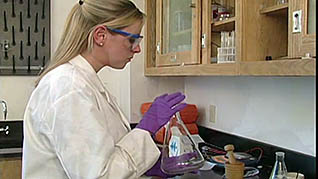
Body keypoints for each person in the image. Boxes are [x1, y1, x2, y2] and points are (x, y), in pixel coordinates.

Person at [22, 0, 187, 178]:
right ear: (100, 35)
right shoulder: (68, 86)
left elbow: (106, 156)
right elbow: (99, 175)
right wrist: (146, 129)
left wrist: (148, 165)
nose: (137, 48)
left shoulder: (84, 83)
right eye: (132, 40)